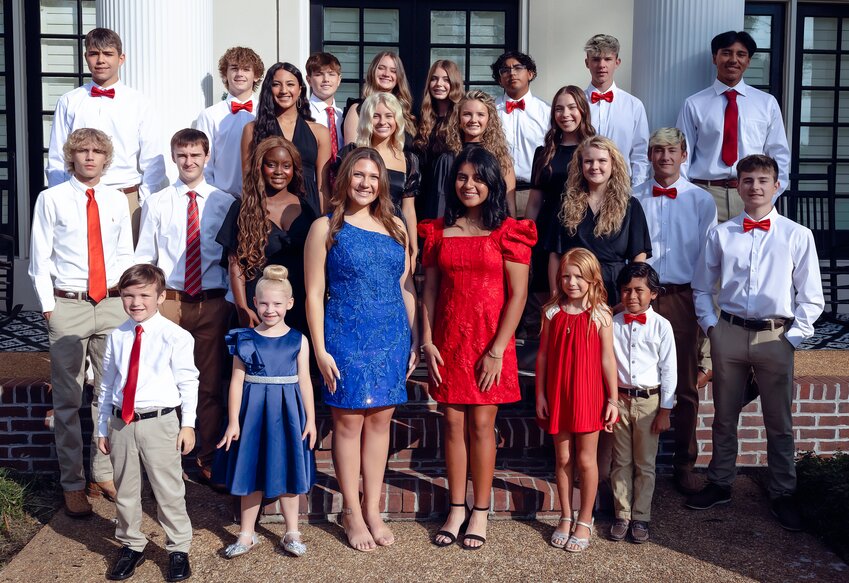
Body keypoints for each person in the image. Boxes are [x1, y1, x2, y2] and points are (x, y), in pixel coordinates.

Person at [687, 155, 824, 532]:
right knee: (723, 416)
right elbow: (702, 286)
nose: (755, 187)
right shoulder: (721, 233)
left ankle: (783, 492)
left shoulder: (797, 235)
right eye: (747, 180)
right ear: (738, 186)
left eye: (763, 180)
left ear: (777, 185)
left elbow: (811, 296)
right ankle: (719, 483)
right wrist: (712, 327)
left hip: (776, 336)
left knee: (778, 421)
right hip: (728, 333)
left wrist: (793, 338)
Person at [419, 147, 536, 550]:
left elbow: (518, 296)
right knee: (451, 424)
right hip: (449, 342)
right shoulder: (437, 231)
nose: (469, 185)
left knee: (482, 426)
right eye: (462, 178)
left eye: (478, 178)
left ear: (492, 183)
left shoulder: (510, 232)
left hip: (490, 344)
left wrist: (498, 349)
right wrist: (427, 340)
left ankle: (480, 512)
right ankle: (455, 508)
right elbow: (429, 290)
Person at [304, 147, 418, 552]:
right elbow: (314, 294)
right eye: (358, 175)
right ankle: (351, 510)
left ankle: (373, 508)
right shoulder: (325, 228)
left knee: (380, 424)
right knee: (349, 425)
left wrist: (415, 337)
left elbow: (406, 288)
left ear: (382, 182)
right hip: (344, 336)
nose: (366, 183)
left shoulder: (397, 227)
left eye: (373, 177)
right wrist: (319, 348)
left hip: (390, 335)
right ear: (344, 179)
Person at [29, 128, 133, 517]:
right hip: (68, 304)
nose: (90, 157)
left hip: (111, 303)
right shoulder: (51, 198)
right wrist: (48, 307)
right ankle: (72, 483)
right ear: (71, 157)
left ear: (107, 158)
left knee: (108, 392)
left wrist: (126, 300)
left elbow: (125, 252)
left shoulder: (115, 200)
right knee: (68, 398)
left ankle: (101, 472)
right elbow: (39, 257)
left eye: (97, 151)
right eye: (82, 151)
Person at [135, 128, 234, 486]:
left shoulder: (225, 202)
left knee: (207, 384)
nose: (189, 162)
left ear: (207, 157)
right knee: (162, 382)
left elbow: (230, 260)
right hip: (171, 303)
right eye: (182, 155)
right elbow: (145, 256)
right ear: (174, 157)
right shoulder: (158, 202)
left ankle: (205, 454)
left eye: (195, 155)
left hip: (211, 303)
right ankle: (164, 459)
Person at [96, 264, 197, 582]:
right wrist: (102, 427)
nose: (136, 302)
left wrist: (188, 424)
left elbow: (188, 382)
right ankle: (131, 544)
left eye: (144, 295)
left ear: (161, 296)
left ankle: (178, 548)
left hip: (160, 422)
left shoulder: (175, 336)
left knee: (168, 489)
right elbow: (107, 385)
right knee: (125, 490)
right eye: (128, 296)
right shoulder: (117, 335)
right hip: (122, 423)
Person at [632, 128, 717, 494]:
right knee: (633, 378)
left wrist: (703, 310)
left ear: (684, 155)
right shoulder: (633, 197)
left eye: (672, 150)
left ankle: (684, 463)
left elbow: (709, 260)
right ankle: (633, 465)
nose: (664, 157)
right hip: (641, 295)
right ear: (649, 156)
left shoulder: (702, 200)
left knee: (683, 384)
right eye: (657, 150)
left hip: (682, 297)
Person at [216, 265, 317, 559]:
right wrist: (234, 420)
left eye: (276, 304)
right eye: (263, 303)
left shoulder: (299, 339)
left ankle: (292, 531)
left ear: (289, 304)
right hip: (253, 413)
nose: (269, 309)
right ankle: (246, 534)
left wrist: (310, 418)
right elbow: (236, 382)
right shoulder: (244, 338)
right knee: (251, 470)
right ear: (254, 302)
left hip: (287, 414)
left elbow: (305, 381)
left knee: (288, 470)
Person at [47, 27, 167, 244]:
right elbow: (57, 158)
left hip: (126, 197)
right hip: (79, 197)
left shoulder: (139, 103)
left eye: (108, 54)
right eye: (94, 54)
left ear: (121, 59)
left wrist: (145, 204)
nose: (100, 60)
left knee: (128, 273)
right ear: (86, 57)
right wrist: (60, 200)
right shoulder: (69, 101)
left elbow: (153, 162)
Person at [535, 248, 618, 552]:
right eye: (566, 276)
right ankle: (566, 515)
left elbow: (608, 359)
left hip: (588, 395)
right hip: (558, 394)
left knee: (586, 460)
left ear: (592, 278)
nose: (572, 282)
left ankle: (585, 518)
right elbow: (542, 356)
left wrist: (612, 398)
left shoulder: (601, 314)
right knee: (563, 459)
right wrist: (541, 393)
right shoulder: (551, 312)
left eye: (578, 276)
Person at [677, 30, 790, 222]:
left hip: (751, 194)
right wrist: (686, 195)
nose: (733, 59)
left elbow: (779, 154)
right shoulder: (694, 104)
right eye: (727, 53)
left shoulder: (767, 103)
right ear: (715, 58)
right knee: (704, 251)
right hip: (705, 193)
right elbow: (682, 154)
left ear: (749, 61)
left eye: (741, 54)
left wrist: (769, 195)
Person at [218, 137, 316, 334]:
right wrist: (242, 307)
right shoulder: (243, 208)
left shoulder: (307, 208)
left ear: (294, 169)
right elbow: (235, 262)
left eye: (286, 165)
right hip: (260, 307)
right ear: (260, 167)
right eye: (271, 165)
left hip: (299, 305)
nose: (279, 171)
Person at [609, 262, 676, 544]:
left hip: (650, 403)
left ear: (654, 294)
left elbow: (669, 368)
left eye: (639, 290)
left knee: (645, 463)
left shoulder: (662, 326)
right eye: (626, 290)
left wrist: (665, 410)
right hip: (620, 400)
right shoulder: (611, 324)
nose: (632, 296)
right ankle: (622, 514)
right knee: (621, 461)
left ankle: (641, 517)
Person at [545, 135, 651, 306]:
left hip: (616, 293)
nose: (595, 167)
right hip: (574, 293)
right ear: (580, 166)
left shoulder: (630, 205)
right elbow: (555, 256)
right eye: (588, 161)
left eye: (602, 161)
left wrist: (628, 298)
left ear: (613, 165)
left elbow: (638, 257)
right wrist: (556, 297)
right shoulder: (565, 204)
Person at [523, 86, 595, 335]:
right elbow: (534, 202)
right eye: (559, 109)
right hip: (546, 234)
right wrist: (525, 240)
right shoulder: (543, 154)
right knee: (546, 300)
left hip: (581, 234)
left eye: (572, 107)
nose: (566, 114)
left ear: (583, 111)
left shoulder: (593, 152)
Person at [335, 92, 420, 259]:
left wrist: (413, 247)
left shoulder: (408, 160)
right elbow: (338, 196)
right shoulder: (351, 153)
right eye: (376, 116)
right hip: (356, 229)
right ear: (367, 119)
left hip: (394, 233)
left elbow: (409, 209)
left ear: (397, 120)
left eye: (389, 116)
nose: (383, 122)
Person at [241, 62, 330, 214]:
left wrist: (325, 223)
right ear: (269, 89)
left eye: (290, 84)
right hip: (266, 211)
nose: (284, 90)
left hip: (308, 211)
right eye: (276, 84)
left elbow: (324, 187)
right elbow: (247, 181)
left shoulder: (320, 132)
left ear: (300, 89)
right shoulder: (252, 129)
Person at [195, 46, 265, 197]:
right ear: (225, 74)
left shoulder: (266, 113)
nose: (240, 74)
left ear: (256, 75)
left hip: (261, 198)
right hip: (221, 199)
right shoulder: (209, 115)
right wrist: (214, 198)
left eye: (246, 69)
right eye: (234, 68)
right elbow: (204, 163)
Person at [435, 90, 517, 216]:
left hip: (492, 228)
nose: (473, 120)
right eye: (467, 114)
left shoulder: (501, 158)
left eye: (480, 114)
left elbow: (509, 202)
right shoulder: (447, 159)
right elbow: (439, 204)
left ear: (489, 119)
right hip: (455, 229)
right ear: (458, 119)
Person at [583, 34, 649, 186]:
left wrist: (636, 191)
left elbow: (640, 154)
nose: (601, 65)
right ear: (587, 63)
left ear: (617, 62)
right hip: (582, 186)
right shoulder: (577, 103)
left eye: (607, 59)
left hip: (621, 187)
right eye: (596, 59)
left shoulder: (634, 105)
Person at [491, 51, 549, 216]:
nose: (512, 73)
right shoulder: (489, 112)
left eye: (518, 68)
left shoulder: (547, 112)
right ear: (499, 79)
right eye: (505, 70)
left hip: (534, 193)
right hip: (496, 194)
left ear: (530, 73)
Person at [414, 59, 464, 219]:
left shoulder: (462, 117)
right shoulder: (421, 117)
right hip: (422, 196)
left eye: (446, 79)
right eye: (434, 79)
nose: (438, 84)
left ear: (454, 83)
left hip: (449, 200)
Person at [342, 51, 416, 146]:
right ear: (372, 71)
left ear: (399, 77)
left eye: (393, 71)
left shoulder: (406, 112)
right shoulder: (357, 110)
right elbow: (352, 154)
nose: (386, 74)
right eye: (381, 68)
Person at [305, 52, 343, 166]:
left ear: (339, 80)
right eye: (319, 74)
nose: (326, 79)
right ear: (309, 80)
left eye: (331, 74)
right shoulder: (302, 113)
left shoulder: (343, 116)